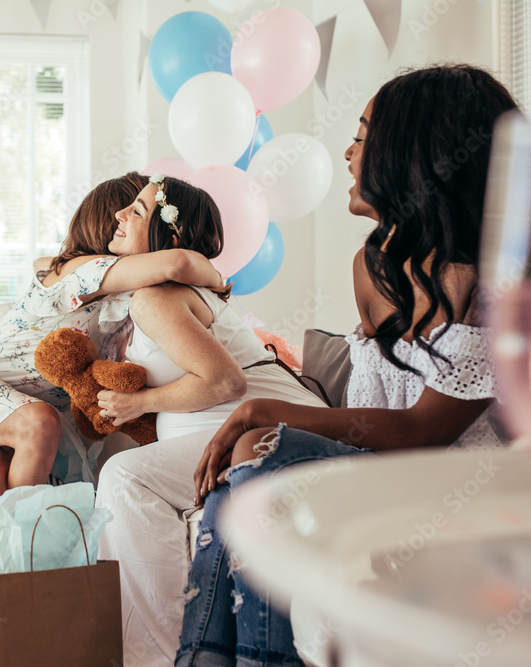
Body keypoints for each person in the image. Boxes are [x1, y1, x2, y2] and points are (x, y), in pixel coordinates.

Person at [177, 64, 516, 667]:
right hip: (376, 472)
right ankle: (202, 657)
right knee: (248, 466)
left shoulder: (492, 287)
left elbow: (427, 432)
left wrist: (266, 410)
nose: (348, 151)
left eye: (363, 135)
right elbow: (369, 418)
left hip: (452, 484)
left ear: (416, 155)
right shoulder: (373, 264)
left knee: (261, 448)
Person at [0, 173, 228, 546]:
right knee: (38, 423)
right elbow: (178, 264)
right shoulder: (79, 270)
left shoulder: (132, 303)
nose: (122, 218)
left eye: (136, 213)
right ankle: (14, 575)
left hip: (5, 410)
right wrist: (218, 279)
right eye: (121, 212)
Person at [93, 185, 327, 666]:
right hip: (237, 427)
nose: (119, 215)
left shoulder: (156, 298)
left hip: (264, 428)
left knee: (125, 476)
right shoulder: (161, 295)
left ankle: (166, 654)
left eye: (136, 210)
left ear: (164, 234)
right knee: (126, 473)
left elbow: (224, 382)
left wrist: (140, 404)